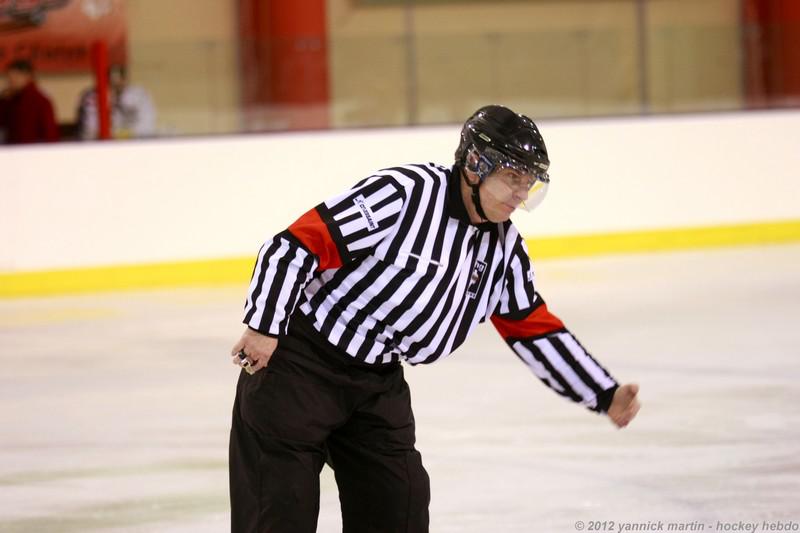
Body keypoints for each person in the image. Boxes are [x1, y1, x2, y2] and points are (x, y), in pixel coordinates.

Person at [228, 105, 641, 533]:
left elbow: (533, 331)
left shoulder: (503, 249)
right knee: (277, 513)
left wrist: (602, 393)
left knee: (398, 508)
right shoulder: (402, 194)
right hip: (299, 367)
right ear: (476, 165)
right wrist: (263, 325)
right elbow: (292, 248)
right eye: (512, 177)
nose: (521, 193)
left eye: (529, 182)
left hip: (376, 383)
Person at [76, 64, 156, 140]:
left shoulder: (139, 95)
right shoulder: (92, 96)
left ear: (125, 79)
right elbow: (90, 130)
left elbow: (146, 127)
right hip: (99, 146)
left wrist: (121, 134)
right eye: (110, 81)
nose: (116, 84)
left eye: (120, 79)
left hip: (133, 145)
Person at [0, 59, 59, 145]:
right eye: (9, 78)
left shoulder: (40, 100)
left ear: (28, 76)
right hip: (12, 150)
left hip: (34, 151)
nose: (12, 82)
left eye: (16, 77)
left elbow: (50, 132)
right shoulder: (9, 100)